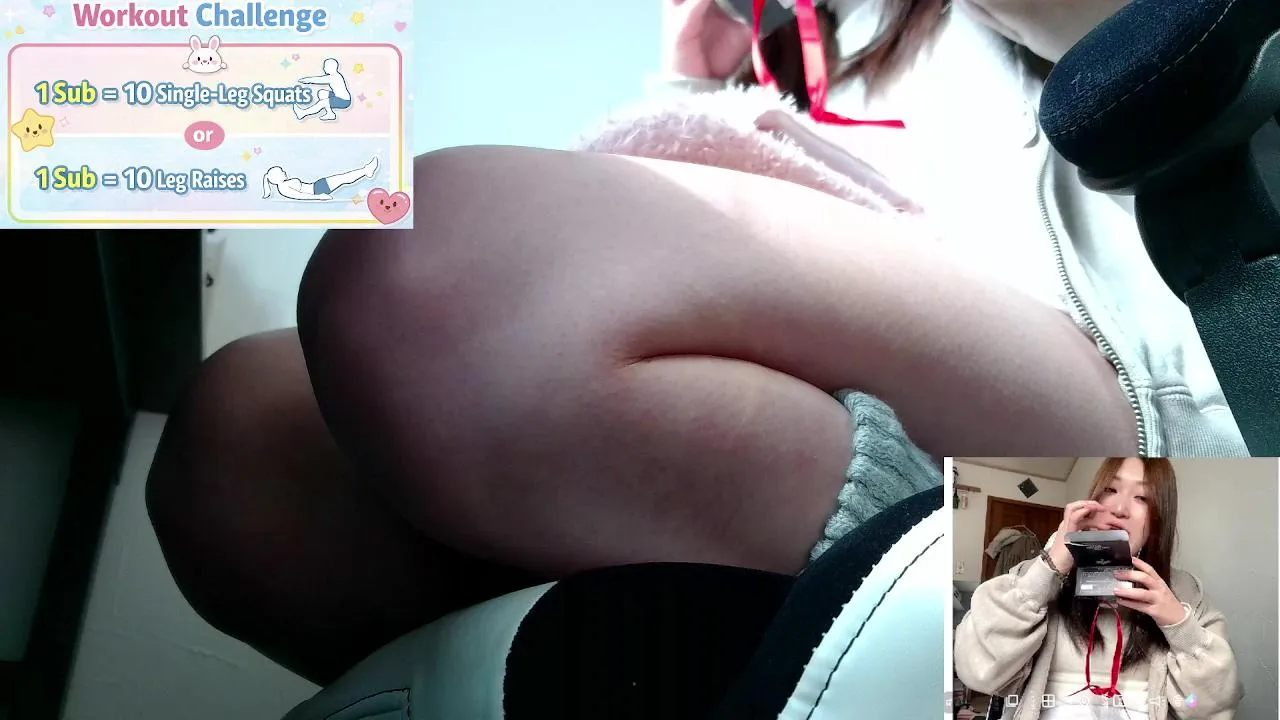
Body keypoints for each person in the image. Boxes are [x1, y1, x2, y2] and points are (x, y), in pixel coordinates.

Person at [145, 0, 1243, 689]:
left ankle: (1025, 618)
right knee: (240, 445)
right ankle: (781, 660)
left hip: (1129, 389)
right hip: (877, 397)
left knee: (425, 278)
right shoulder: (779, 46)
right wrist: (698, 86)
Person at [954, 458, 1242, 719]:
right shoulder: (1032, 577)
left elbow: (1213, 709)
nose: (1119, 509)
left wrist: (1178, 625)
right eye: (1111, 490)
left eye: (1142, 497)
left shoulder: (1186, 594)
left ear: (1158, 520)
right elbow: (978, 673)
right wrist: (1049, 568)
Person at [261, 157, 378, 201]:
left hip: (317, 186)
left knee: (342, 178)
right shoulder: (283, 188)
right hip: (317, 190)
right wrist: (319, 197)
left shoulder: (284, 185)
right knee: (343, 178)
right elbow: (301, 196)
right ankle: (365, 171)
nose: (284, 172)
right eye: (281, 172)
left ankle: (365, 171)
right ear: (276, 177)